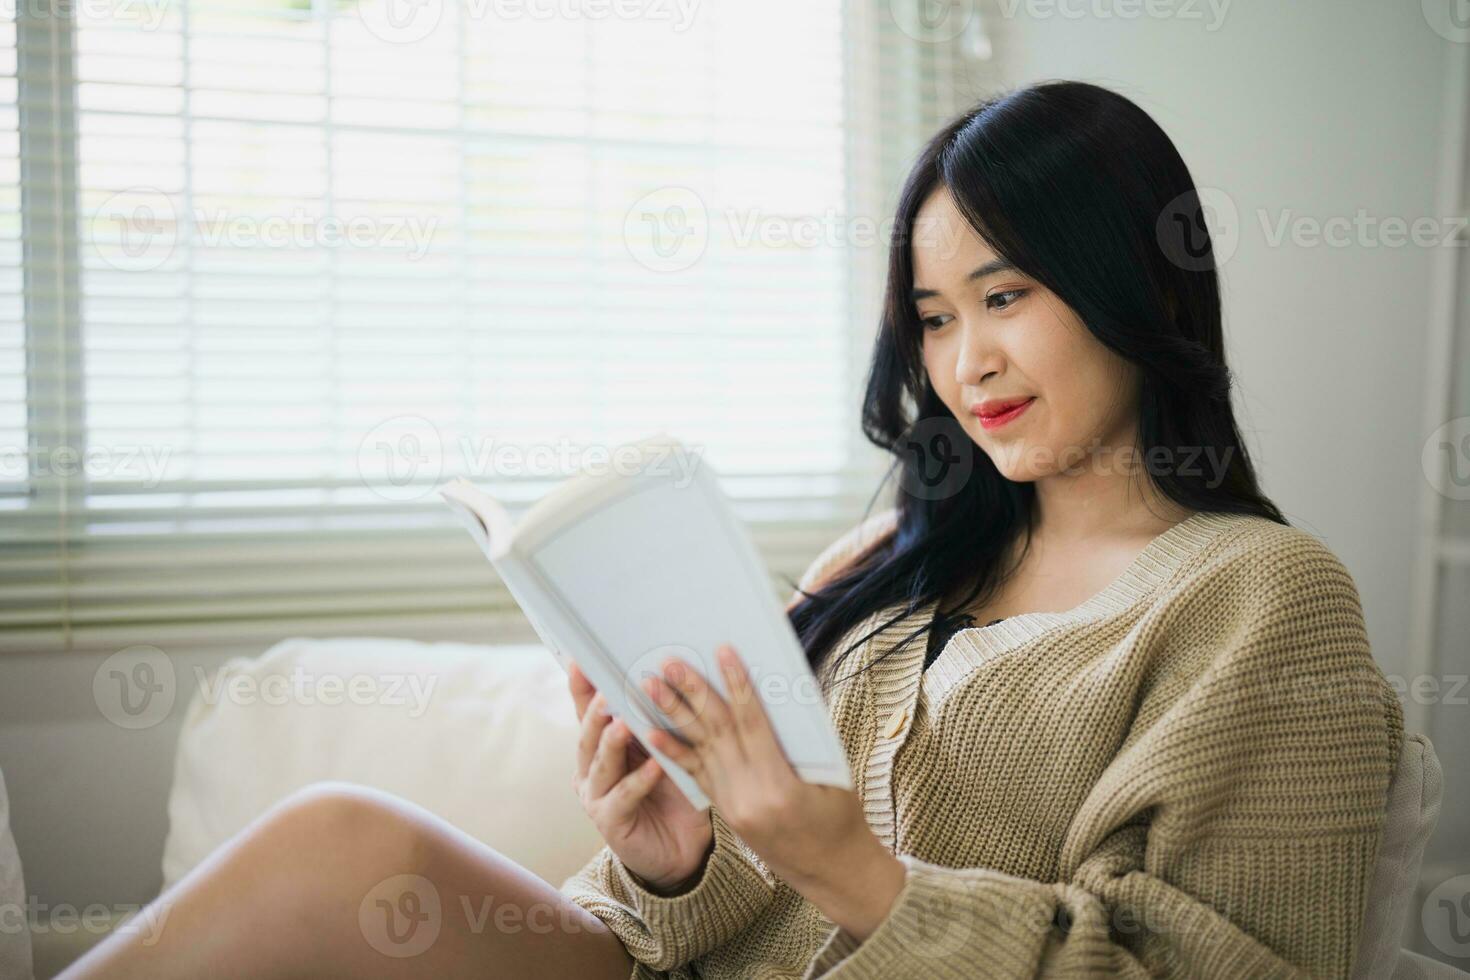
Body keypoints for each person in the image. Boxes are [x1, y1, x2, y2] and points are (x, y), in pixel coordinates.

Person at [63, 79, 1402, 980]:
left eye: (1006, 296)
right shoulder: (899, 553)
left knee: (339, 844)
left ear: (1129, 286)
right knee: (339, 845)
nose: (966, 360)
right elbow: (723, 915)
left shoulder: (1260, 598)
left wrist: (859, 875)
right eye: (933, 318)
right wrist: (675, 858)